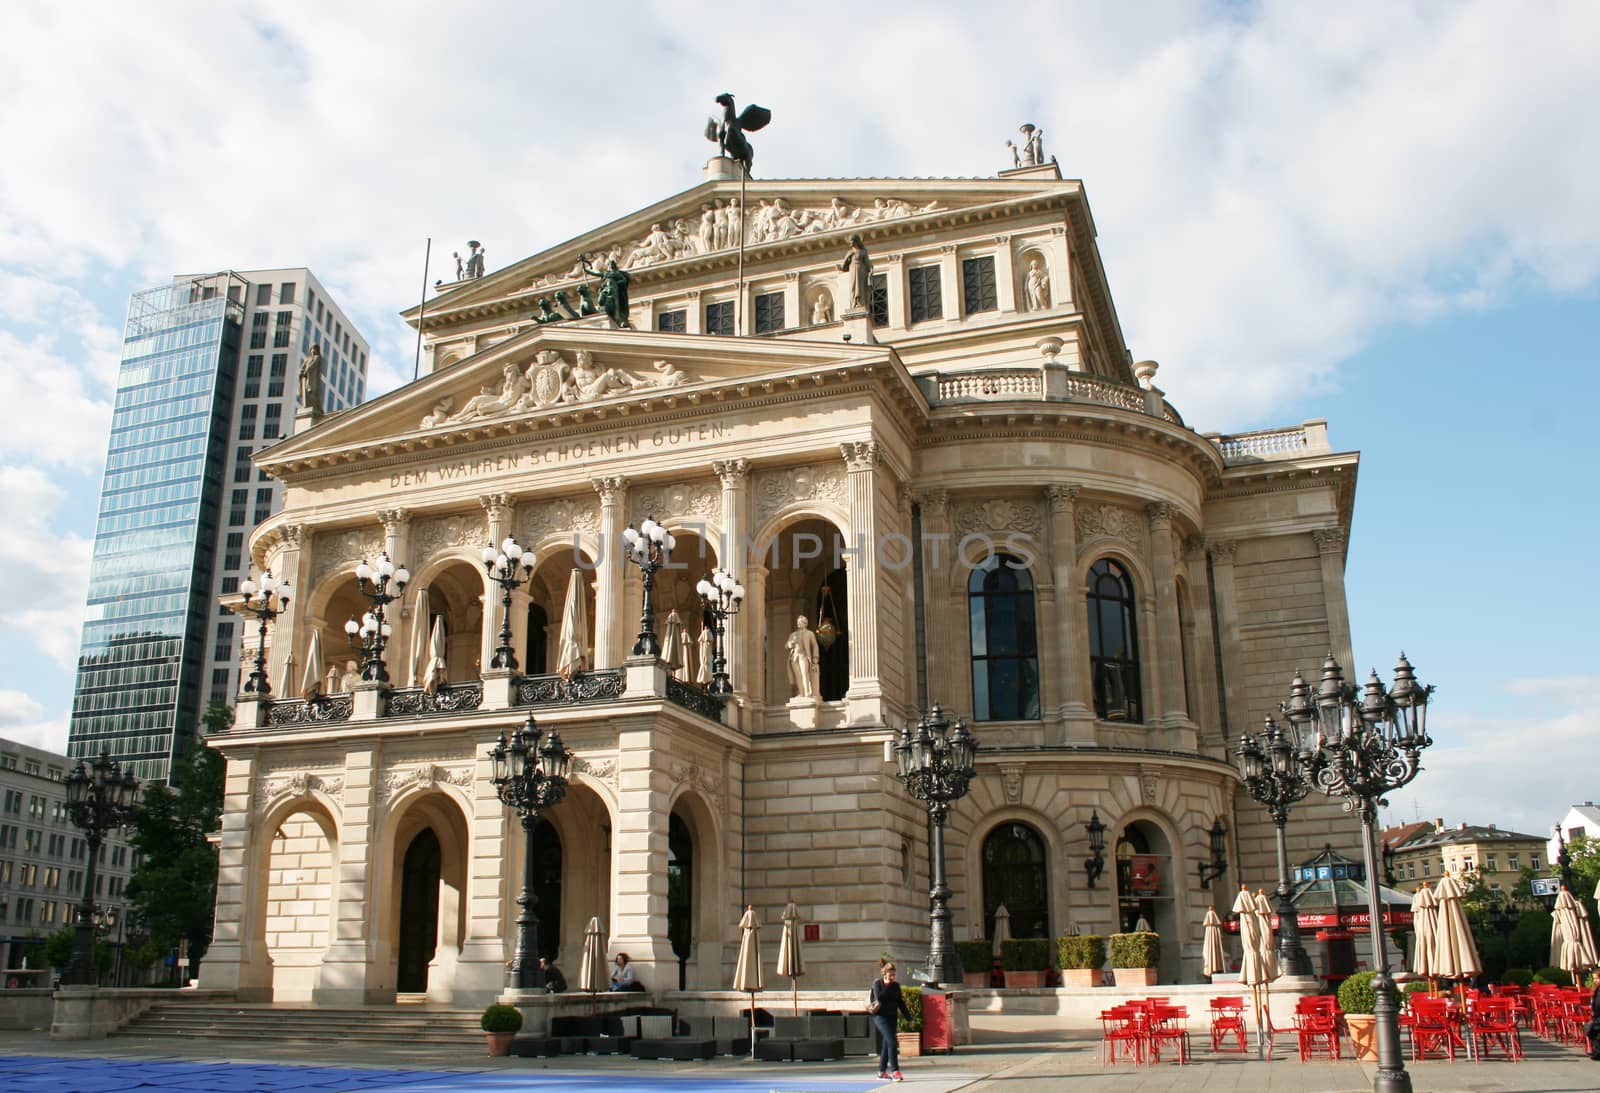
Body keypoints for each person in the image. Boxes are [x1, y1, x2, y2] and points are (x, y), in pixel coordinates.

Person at [869, 961, 912, 1081]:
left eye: (894, 975)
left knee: (887, 1043)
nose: (892, 977)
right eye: (890, 975)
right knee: (892, 1042)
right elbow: (880, 998)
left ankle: (881, 1071)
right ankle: (895, 1071)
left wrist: (909, 1018)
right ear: (885, 973)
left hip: (892, 1016)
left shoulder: (896, 986)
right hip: (880, 1017)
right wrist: (887, 984)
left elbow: (900, 1002)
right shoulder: (878, 984)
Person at [785, 615, 820, 699]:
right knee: (798, 676)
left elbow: (815, 645)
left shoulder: (809, 633)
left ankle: (807, 692)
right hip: (794, 657)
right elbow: (786, 645)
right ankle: (801, 693)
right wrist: (790, 644)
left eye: (800, 622)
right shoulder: (793, 635)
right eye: (798, 622)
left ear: (805, 623)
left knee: (805, 674)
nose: (798, 623)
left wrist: (815, 658)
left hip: (804, 656)